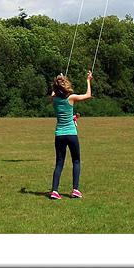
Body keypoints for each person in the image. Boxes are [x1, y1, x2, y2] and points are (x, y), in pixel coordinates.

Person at [49, 70, 92, 199]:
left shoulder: (54, 99)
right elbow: (88, 95)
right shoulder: (71, 98)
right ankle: (75, 190)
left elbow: (54, 92)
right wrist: (88, 80)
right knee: (76, 161)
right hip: (71, 134)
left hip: (59, 135)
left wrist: (59, 80)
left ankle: (55, 191)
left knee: (59, 163)